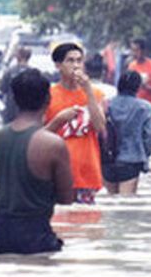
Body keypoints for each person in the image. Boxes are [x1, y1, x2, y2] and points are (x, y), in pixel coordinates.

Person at [0, 68, 76, 255]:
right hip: (35, 236)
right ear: (47, 100)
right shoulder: (53, 144)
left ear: (15, 100)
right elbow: (67, 198)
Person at [45, 41, 107, 204]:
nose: (76, 65)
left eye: (79, 61)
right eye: (70, 61)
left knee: (86, 226)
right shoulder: (48, 96)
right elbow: (38, 136)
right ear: (58, 65)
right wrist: (59, 120)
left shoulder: (96, 94)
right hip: (56, 175)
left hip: (87, 174)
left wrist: (88, 91)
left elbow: (100, 126)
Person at [103, 70, 151, 195]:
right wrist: (145, 155)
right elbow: (148, 136)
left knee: (110, 203)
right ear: (138, 87)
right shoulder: (145, 108)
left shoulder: (106, 104)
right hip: (131, 160)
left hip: (108, 160)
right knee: (126, 204)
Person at [125, 37, 151, 120]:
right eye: (132, 50)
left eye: (136, 50)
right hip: (134, 111)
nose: (134, 53)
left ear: (144, 51)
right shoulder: (131, 66)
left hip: (150, 112)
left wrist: (146, 87)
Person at [0, 46, 33, 122]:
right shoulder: (33, 73)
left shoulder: (9, 72)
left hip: (11, 110)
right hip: (28, 111)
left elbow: (2, 89)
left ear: (18, 56)